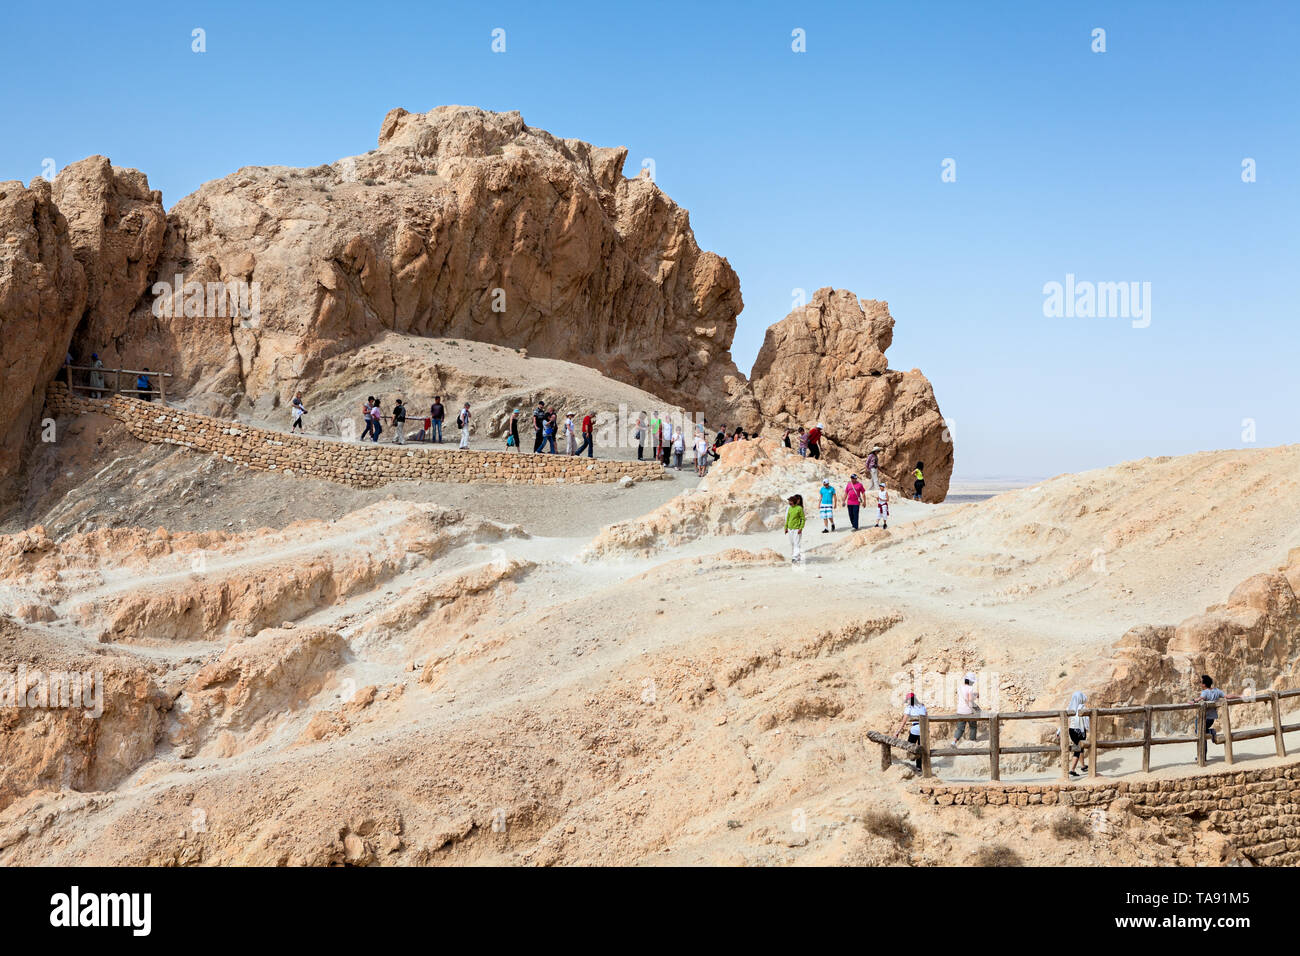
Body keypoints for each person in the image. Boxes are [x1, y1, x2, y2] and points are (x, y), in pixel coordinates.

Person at [1191, 675, 1227, 761]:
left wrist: (1193, 701)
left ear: (1204, 684)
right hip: (1211, 719)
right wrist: (1240, 696)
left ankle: (1202, 755)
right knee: (1203, 734)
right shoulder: (1217, 691)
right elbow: (1227, 696)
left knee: (1199, 733)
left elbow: (1201, 698)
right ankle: (1203, 756)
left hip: (1203, 718)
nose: (1200, 684)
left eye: (1201, 682)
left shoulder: (1205, 692)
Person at [895, 693, 927, 771]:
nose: (907, 702)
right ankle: (919, 766)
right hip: (924, 730)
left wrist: (897, 732)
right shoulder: (922, 706)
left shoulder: (909, 707)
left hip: (915, 729)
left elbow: (904, 721)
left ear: (911, 700)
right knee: (921, 747)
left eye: (908, 700)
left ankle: (912, 758)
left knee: (909, 745)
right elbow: (926, 717)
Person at [1066, 691, 1090, 776]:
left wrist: (1059, 731)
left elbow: (1065, 718)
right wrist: (1088, 728)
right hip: (1080, 731)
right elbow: (1086, 720)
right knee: (1078, 749)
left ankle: (1083, 766)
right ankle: (1072, 769)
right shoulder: (1082, 707)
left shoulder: (1070, 706)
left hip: (1072, 730)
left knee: (1079, 748)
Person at [954, 673, 980, 745]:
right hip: (968, 711)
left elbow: (964, 696)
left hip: (960, 711)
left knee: (960, 728)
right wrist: (975, 696)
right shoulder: (970, 688)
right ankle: (972, 741)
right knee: (973, 726)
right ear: (971, 681)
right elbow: (970, 699)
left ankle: (954, 742)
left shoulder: (959, 688)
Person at [784, 494, 805, 563]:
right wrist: (786, 527)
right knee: (792, 543)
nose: (789, 502)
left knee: (796, 543)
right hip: (790, 528)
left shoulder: (799, 508)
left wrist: (801, 528)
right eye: (789, 501)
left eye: (790, 501)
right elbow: (787, 518)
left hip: (797, 528)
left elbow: (803, 519)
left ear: (794, 502)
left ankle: (794, 558)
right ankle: (797, 556)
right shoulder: (789, 508)